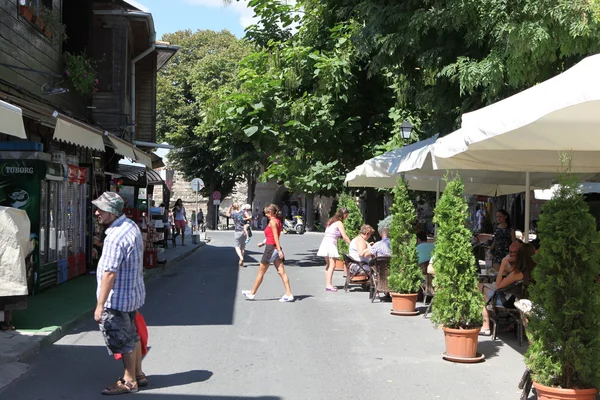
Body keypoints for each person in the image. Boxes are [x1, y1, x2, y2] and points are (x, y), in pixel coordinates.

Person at [92, 192, 146, 395]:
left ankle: (130, 381)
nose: (97, 212)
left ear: (112, 212)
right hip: (132, 295)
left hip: (117, 299)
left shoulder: (115, 237)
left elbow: (109, 274)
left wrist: (100, 305)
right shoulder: (130, 226)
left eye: (101, 210)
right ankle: (139, 373)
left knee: (123, 340)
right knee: (132, 336)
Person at [478, 242, 536, 336]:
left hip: (509, 302)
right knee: (484, 287)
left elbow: (498, 285)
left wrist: (502, 265)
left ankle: (486, 326)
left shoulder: (518, 273)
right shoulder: (533, 271)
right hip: (525, 301)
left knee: (480, 288)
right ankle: (511, 324)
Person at [242, 204, 294, 302]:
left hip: (271, 249)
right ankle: (289, 294)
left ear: (271, 212)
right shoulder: (278, 221)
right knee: (281, 272)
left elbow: (275, 237)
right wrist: (263, 242)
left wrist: (279, 250)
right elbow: (272, 236)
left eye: (266, 213)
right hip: (274, 247)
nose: (266, 215)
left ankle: (252, 293)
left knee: (261, 272)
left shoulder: (273, 222)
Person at [317, 207, 351, 292]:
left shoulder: (331, 221)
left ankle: (328, 283)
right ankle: (328, 285)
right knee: (332, 265)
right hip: (330, 244)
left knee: (328, 265)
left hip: (325, 242)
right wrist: (352, 244)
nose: (346, 217)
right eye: (346, 215)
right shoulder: (339, 223)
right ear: (344, 215)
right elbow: (345, 236)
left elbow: (332, 233)